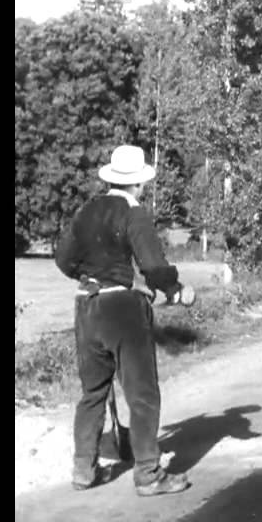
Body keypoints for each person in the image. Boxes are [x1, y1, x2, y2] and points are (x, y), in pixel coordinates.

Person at [54, 144, 192, 497]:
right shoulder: (134, 213)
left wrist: (91, 276)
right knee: (142, 393)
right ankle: (148, 474)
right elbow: (153, 265)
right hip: (123, 309)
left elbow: (64, 260)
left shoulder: (87, 210)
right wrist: (176, 291)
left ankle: (84, 469)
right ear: (139, 184)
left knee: (93, 392)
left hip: (87, 306)